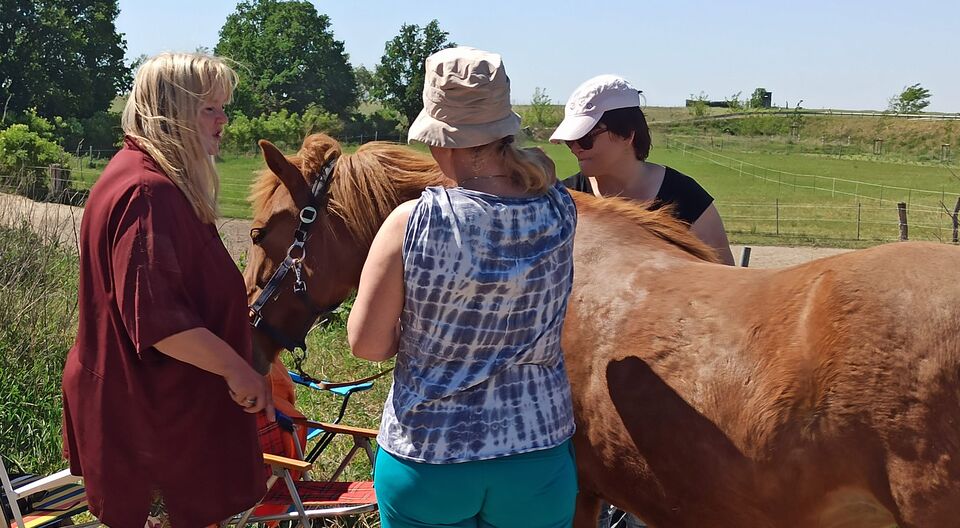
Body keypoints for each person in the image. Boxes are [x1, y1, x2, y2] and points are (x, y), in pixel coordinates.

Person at [347, 47, 579, 528]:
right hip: (537, 451)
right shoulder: (561, 209)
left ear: (441, 137)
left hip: (429, 455)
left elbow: (367, 345)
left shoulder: (410, 222)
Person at [61, 52, 273, 528]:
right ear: (172, 112)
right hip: (148, 421)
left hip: (156, 412)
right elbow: (159, 323)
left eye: (223, 107)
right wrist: (239, 371)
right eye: (209, 109)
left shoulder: (153, 179)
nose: (223, 121)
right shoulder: (146, 192)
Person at [551, 74, 736, 266]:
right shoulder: (564, 200)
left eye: (585, 139)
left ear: (627, 135)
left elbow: (725, 279)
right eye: (569, 141)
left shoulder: (688, 199)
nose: (575, 148)